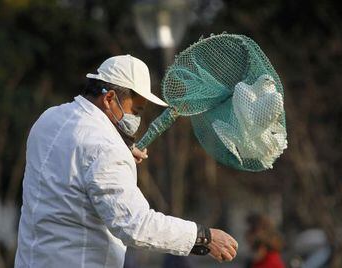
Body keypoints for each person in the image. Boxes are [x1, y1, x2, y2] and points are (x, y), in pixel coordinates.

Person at [14, 55, 238, 267]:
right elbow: (134, 224)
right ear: (109, 98)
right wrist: (203, 237)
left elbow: (73, 167)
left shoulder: (49, 118)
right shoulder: (105, 147)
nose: (136, 119)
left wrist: (119, 154)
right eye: (136, 110)